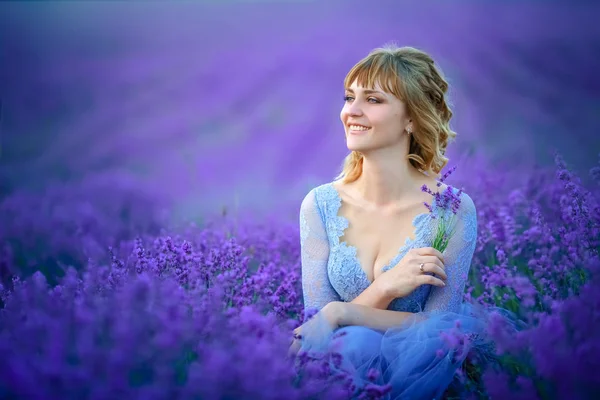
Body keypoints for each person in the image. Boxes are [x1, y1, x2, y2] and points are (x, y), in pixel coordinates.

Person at [289, 44, 493, 399]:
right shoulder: (320, 205)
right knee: (353, 345)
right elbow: (318, 327)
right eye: (349, 97)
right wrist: (384, 288)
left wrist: (342, 314)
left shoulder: (453, 211)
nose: (351, 111)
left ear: (412, 118)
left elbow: (438, 329)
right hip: (339, 379)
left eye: (373, 100)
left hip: (422, 379)